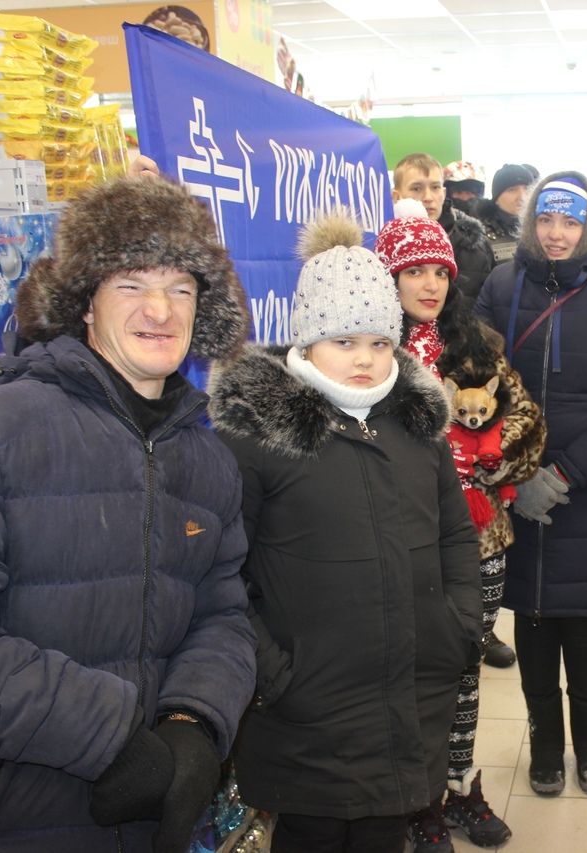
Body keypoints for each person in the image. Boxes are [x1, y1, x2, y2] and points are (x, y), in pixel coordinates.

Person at [0, 177, 257, 852]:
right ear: (85, 303)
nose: (159, 308)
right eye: (130, 281)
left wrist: (192, 719)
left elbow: (224, 615)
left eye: (181, 286)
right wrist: (111, 736)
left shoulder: (206, 459)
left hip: (149, 820)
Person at [210, 210, 483, 853]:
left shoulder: (417, 427)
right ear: (305, 344)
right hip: (308, 713)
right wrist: (276, 674)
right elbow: (223, 575)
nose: (364, 360)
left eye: (379, 342)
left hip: (410, 694)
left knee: (387, 831)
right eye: (343, 342)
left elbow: (453, 536)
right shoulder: (258, 439)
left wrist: (458, 626)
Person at [475, 172, 587, 797]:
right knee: (530, 619)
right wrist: (510, 473)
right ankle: (545, 741)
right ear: (531, 222)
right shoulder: (502, 285)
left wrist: (559, 475)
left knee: (583, 626)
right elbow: (471, 377)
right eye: (547, 220)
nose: (557, 234)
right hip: (516, 491)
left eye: (571, 222)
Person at [375, 199, 545, 852]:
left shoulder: (476, 349)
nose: (429, 284)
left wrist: (491, 457)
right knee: (415, 673)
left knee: (466, 667)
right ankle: (416, 799)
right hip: (404, 545)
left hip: (481, 540)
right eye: (413, 270)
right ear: (389, 279)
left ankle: (461, 785)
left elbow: (525, 416)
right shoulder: (373, 358)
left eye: (439, 271)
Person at [392, 153, 494, 302]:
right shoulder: (381, 248)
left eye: (435, 187)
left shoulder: (476, 246)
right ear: (396, 196)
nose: (428, 197)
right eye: (416, 188)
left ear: (444, 193)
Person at [475, 163, 536, 267]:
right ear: (496, 199)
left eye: (527, 188)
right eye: (512, 190)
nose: (522, 197)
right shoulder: (480, 237)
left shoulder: (541, 230)